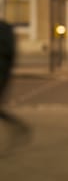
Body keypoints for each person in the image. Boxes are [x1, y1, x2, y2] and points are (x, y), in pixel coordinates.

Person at [0, 17, 30, 151]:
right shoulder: (6, 29)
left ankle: (19, 127)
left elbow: (8, 55)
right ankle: (19, 127)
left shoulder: (4, 29)